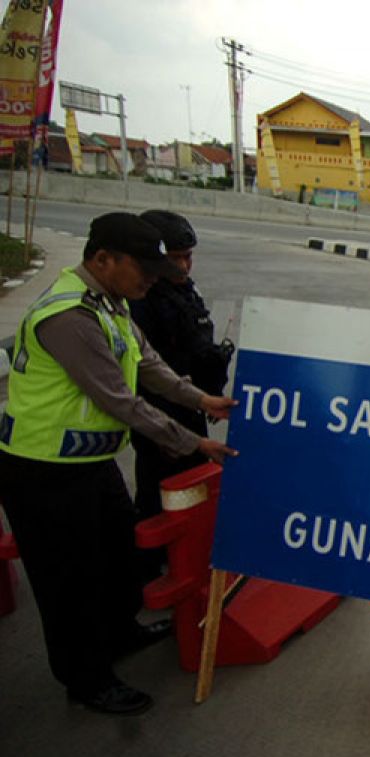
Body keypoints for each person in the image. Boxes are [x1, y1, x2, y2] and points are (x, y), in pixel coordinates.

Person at [0, 212, 238, 715]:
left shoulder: (110, 304)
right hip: (42, 472)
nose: (152, 278)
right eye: (143, 268)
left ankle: (120, 633)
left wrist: (201, 401)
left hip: (91, 464)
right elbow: (121, 401)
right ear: (103, 258)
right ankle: (86, 678)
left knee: (116, 558)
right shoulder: (69, 317)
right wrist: (195, 443)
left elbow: (150, 365)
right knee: (69, 581)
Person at [130, 211, 234, 526]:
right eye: (176, 258)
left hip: (191, 403)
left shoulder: (186, 291)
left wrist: (209, 393)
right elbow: (147, 370)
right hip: (158, 411)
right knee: (161, 492)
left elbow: (198, 347)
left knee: (194, 485)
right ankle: (157, 558)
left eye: (188, 257)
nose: (184, 266)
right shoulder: (140, 302)